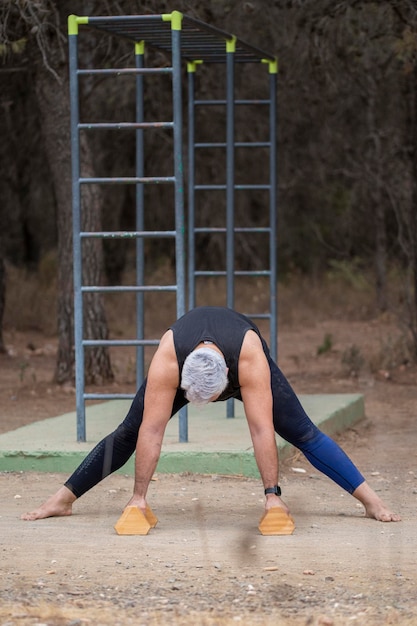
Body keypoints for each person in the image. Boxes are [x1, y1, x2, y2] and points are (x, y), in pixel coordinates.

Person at [22, 306, 400, 523]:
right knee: (129, 430)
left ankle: (371, 500)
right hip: (193, 367)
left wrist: (273, 496)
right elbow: (150, 433)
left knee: (302, 432)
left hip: (240, 360)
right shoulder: (169, 359)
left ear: (226, 385)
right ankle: (63, 499)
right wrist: (138, 499)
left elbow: (261, 431)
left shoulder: (250, 359)